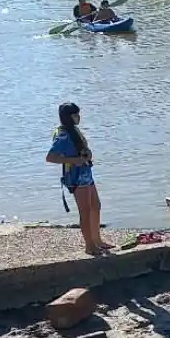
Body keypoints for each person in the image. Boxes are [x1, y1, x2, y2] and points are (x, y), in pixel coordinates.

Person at [45, 102, 113, 255]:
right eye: (75, 114)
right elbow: (50, 157)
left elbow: (80, 149)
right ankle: (89, 245)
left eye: (78, 114)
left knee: (96, 206)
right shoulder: (63, 134)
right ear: (68, 117)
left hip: (86, 173)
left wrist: (87, 154)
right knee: (85, 211)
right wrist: (74, 160)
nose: (78, 117)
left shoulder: (74, 131)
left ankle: (97, 240)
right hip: (76, 177)